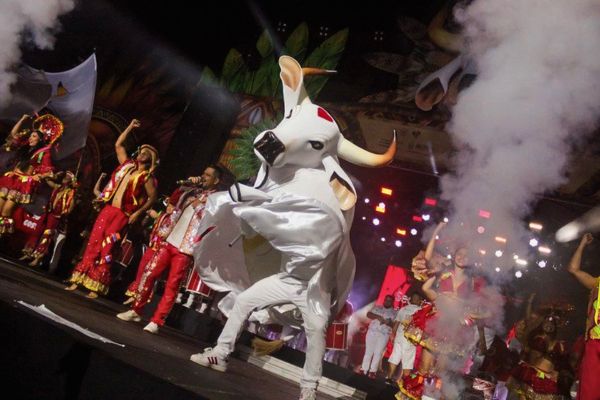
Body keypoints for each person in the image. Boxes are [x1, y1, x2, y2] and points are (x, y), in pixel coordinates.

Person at [116, 166, 221, 333]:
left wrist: (200, 205)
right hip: (169, 240)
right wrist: (186, 185)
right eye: (203, 173)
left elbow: (211, 222)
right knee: (149, 274)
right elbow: (174, 200)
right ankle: (136, 310)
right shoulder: (192, 191)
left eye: (208, 175)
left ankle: (157, 321)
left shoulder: (216, 200)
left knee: (172, 286)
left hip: (185, 250)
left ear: (216, 180)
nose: (203, 177)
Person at [65, 119, 158, 298]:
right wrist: (129, 127)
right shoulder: (127, 166)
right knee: (93, 242)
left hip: (122, 215)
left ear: (151, 160)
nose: (142, 153)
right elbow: (118, 145)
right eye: (142, 151)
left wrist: (138, 213)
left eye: (147, 153)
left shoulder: (146, 177)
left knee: (108, 246)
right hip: (108, 210)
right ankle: (79, 278)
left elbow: (152, 197)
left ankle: (97, 285)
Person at [398, 221, 487, 400]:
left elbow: (476, 307)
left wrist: (460, 303)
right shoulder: (443, 271)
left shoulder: (472, 282)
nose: (462, 257)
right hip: (435, 322)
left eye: (466, 256)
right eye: (459, 254)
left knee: (440, 372)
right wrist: (437, 230)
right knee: (424, 368)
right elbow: (428, 258)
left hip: (453, 327)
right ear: (454, 256)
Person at [0, 114, 63, 234]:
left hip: (20, 185)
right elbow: (13, 135)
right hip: (10, 179)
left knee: (5, 212)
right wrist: (22, 119)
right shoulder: (25, 147)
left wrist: (37, 176)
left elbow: (48, 171)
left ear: (40, 139)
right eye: (30, 136)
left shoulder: (44, 153)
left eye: (33, 136)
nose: (30, 138)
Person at [506, 311, 569, 400]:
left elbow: (561, 363)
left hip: (548, 378)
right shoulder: (537, 338)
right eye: (547, 322)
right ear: (542, 323)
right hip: (532, 374)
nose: (549, 325)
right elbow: (529, 355)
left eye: (552, 323)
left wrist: (556, 373)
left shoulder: (559, 344)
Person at [566, 233, 600, 400]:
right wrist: (582, 244)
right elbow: (573, 269)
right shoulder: (597, 283)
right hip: (595, 343)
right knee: (589, 393)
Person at [20, 171, 77, 267]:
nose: (65, 178)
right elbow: (47, 180)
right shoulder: (57, 187)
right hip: (48, 213)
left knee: (47, 235)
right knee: (37, 231)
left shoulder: (71, 193)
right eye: (64, 176)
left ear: (71, 181)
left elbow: (70, 207)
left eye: (67, 177)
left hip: (56, 216)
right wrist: (56, 175)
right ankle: (28, 252)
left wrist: (63, 215)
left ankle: (38, 258)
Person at [387, 290, 424, 382]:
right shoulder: (421, 311)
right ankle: (404, 384)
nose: (416, 300)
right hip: (409, 339)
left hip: (402, 338)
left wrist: (392, 334)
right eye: (416, 298)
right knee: (407, 361)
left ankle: (389, 378)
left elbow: (396, 323)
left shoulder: (404, 309)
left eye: (416, 298)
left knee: (395, 357)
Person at [360, 295, 397, 379]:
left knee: (378, 353)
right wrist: (378, 317)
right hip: (372, 332)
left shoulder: (395, 313)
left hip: (384, 334)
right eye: (386, 300)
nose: (387, 302)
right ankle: (364, 369)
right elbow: (368, 314)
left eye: (389, 301)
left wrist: (389, 323)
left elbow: (395, 325)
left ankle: (373, 371)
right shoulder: (377, 308)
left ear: (392, 302)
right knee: (368, 351)